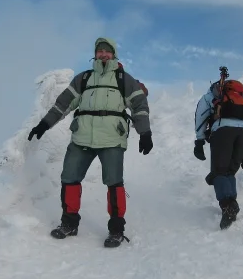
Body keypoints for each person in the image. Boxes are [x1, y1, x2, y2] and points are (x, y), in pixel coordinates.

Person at [28, 37, 153, 247]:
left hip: (112, 139)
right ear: (95, 54)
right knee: (69, 178)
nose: (103, 54)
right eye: (99, 51)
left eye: (107, 51)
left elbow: (139, 105)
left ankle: (116, 230)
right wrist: (44, 125)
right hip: (82, 137)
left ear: (113, 54)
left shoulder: (124, 79)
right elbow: (63, 105)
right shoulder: (83, 79)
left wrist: (145, 133)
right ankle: (69, 223)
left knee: (114, 183)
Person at [194, 76, 243, 229]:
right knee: (230, 171)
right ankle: (231, 203)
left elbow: (201, 116)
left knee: (219, 172)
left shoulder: (211, 97)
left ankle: (227, 206)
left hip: (223, 131)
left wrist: (199, 140)